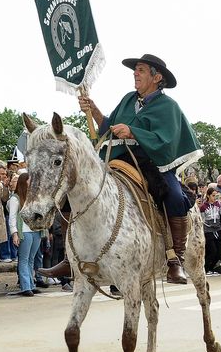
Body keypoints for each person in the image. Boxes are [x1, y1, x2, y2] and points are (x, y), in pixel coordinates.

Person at [75, 53, 202, 285]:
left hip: (152, 163)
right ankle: (72, 256)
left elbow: (167, 141)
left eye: (141, 70)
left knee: (174, 197)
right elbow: (108, 127)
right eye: (136, 70)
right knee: (80, 186)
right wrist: (93, 110)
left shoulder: (168, 106)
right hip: (119, 158)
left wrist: (134, 132)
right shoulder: (127, 99)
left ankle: (176, 260)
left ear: (157, 77)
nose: (135, 73)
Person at [8, 172, 41, 297]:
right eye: (29, 181)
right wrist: (14, 234)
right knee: (24, 259)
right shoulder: (15, 198)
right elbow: (12, 218)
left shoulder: (33, 197)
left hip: (35, 231)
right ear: (24, 182)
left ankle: (31, 285)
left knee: (31, 259)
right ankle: (25, 286)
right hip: (24, 232)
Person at [200, 185, 221, 275]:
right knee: (212, 251)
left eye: (216, 196)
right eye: (213, 195)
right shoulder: (204, 206)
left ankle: (211, 268)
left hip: (217, 229)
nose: (214, 198)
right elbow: (202, 219)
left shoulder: (218, 204)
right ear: (208, 196)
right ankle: (206, 269)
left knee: (219, 252)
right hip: (208, 230)